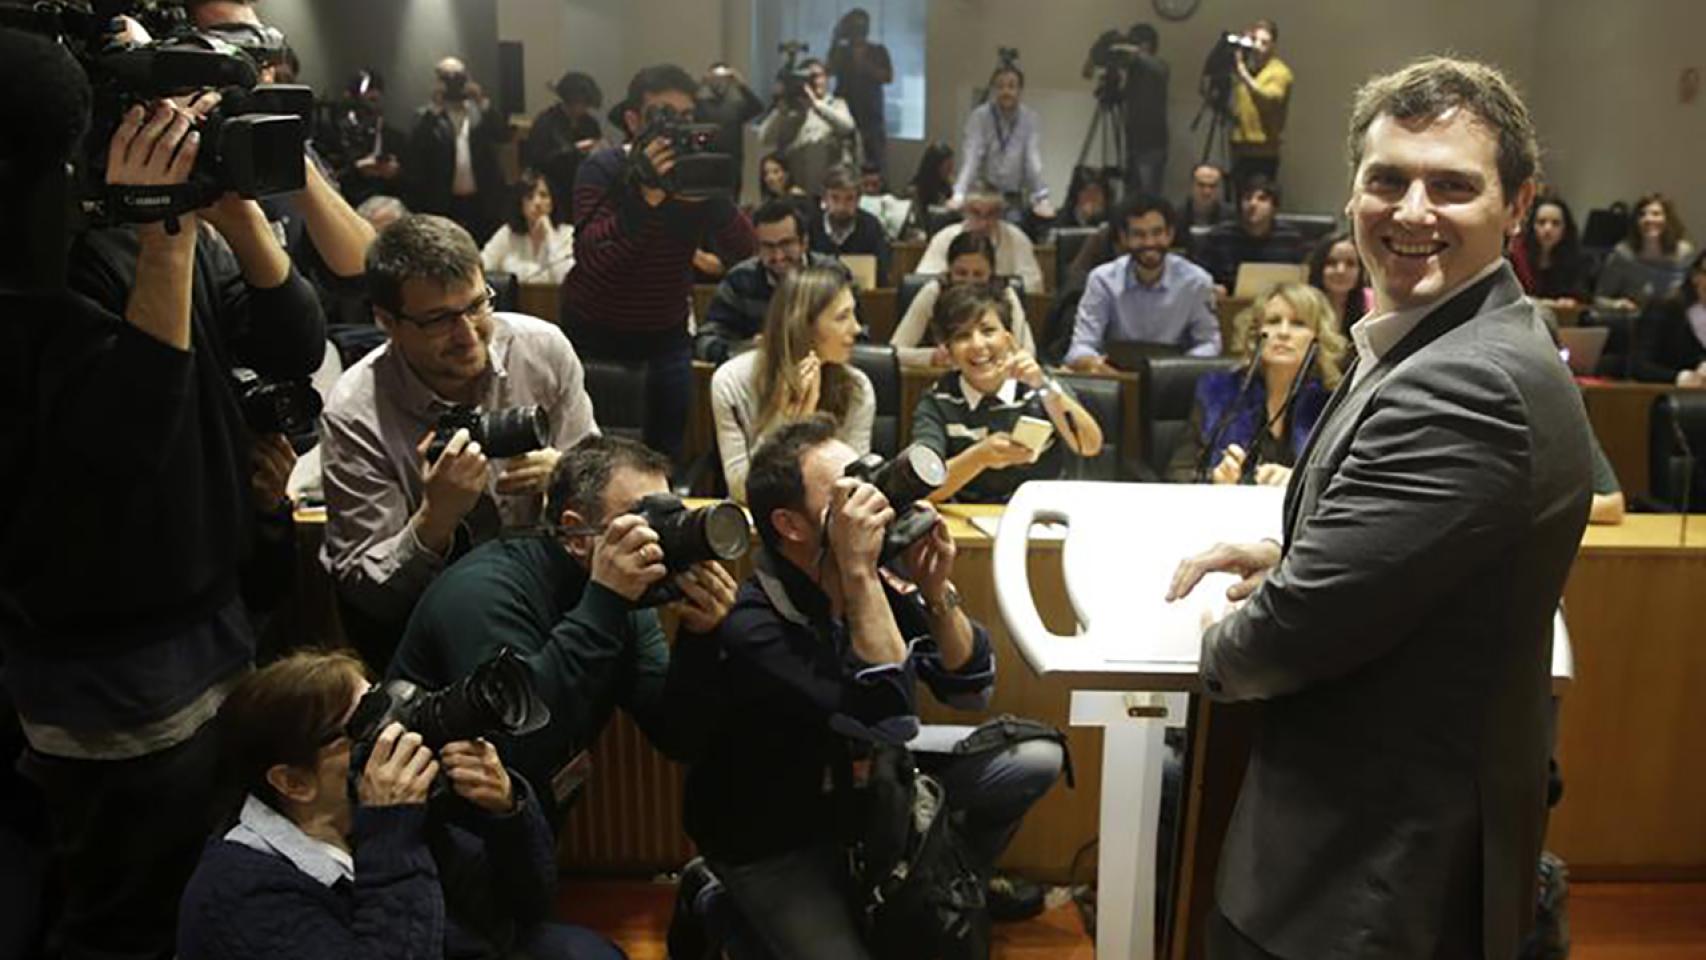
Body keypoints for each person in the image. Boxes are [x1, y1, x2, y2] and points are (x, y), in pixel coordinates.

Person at [1166, 57, 1593, 960]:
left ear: (1518, 205)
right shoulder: (1462, 332)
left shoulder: (1464, 381)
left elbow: (1290, 638)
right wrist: (1297, 556)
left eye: (1452, 186)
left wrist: (1207, 645)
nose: (1411, 211)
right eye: (1387, 179)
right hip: (1397, 837)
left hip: (1365, 876)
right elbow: (1433, 565)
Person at [2, 37, 326, 959]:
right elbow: (123, 446)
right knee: (130, 913)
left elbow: (295, 340)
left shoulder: (178, 233)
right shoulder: (51, 258)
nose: (194, 125)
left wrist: (237, 210)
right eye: (173, 106)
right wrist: (163, 230)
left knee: (213, 882)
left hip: (217, 605)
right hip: (114, 660)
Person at [681, 416, 1063, 959]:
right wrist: (859, 573)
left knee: (1033, 758)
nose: (869, 498)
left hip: (865, 790)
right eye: (844, 490)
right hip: (773, 834)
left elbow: (969, 689)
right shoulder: (755, 625)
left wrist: (934, 594)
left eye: (865, 478)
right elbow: (889, 718)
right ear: (791, 524)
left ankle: (951, 877)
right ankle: (718, 902)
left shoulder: (868, 573)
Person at [177, 651, 623, 960]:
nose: (394, 730)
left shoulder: (386, 806)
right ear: (294, 782)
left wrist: (506, 813)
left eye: (381, 699)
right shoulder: (239, 895)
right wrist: (392, 834)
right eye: (364, 724)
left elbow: (526, 905)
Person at [389, 435, 736, 822]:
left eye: (668, 516)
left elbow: (678, 734)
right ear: (575, 533)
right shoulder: (484, 593)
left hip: (521, 830)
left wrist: (701, 640)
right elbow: (517, 753)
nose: (658, 539)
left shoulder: (623, 592)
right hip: (431, 829)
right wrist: (605, 603)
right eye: (643, 521)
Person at [320, 214, 598, 661]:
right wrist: (434, 520)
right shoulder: (355, 411)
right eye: (438, 320)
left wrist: (568, 476)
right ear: (387, 321)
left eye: (475, 306)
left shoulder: (542, 350)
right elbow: (366, 593)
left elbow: (600, 483)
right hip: (428, 632)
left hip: (550, 599)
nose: (468, 335)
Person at [560, 64, 756, 462]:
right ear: (633, 121)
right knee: (592, 457)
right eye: (662, 116)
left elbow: (744, 250)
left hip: (666, 336)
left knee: (664, 455)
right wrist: (644, 198)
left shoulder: (694, 175)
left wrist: (714, 197)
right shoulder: (602, 170)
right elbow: (594, 258)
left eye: (685, 118)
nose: (674, 129)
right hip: (597, 335)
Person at [911, 285, 1103, 503]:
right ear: (949, 352)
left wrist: (1044, 388)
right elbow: (923, 487)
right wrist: (979, 457)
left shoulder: (1041, 385)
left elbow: (1088, 446)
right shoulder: (937, 401)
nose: (977, 345)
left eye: (988, 331)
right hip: (966, 524)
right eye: (962, 336)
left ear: (1008, 339)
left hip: (1043, 519)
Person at [710, 266, 873, 501]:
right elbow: (740, 489)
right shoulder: (731, 382)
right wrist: (784, 425)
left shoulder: (858, 388)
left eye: (854, 314)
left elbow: (855, 486)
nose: (857, 328)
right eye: (842, 317)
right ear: (802, 327)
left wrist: (808, 432)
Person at [1165, 283, 1346, 485]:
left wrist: (1299, 482)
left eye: (1298, 323)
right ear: (1256, 333)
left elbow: (1349, 484)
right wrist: (1214, 478)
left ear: (1318, 338)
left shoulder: (1333, 404)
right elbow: (1178, 473)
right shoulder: (1219, 393)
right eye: (1273, 321)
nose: (1283, 332)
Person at [1067, 194, 1220, 371]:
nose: (1149, 243)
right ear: (1123, 238)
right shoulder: (1101, 280)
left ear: (1170, 234)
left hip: (1175, 383)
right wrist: (1092, 363)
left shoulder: (1197, 282)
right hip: (1116, 378)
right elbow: (1081, 345)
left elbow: (1210, 344)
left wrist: (1180, 369)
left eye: (1157, 233)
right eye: (1139, 234)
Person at [696, 200, 852, 363]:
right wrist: (744, 350)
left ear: (804, 243)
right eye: (768, 246)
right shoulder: (739, 280)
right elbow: (704, 341)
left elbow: (861, 336)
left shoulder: (833, 275)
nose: (778, 256)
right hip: (758, 375)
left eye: (786, 244)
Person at [407, 56, 510, 243]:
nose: (453, 83)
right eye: (446, 77)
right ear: (438, 81)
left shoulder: (479, 111)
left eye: (458, 77)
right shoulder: (427, 117)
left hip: (482, 202)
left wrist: (482, 101)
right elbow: (415, 151)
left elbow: (502, 135)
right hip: (443, 202)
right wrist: (435, 108)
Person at [891, 231, 1031, 367]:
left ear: (991, 273)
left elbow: (1028, 353)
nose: (969, 281)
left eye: (978, 274)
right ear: (949, 270)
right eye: (961, 273)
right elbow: (895, 351)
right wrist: (931, 356)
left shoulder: (1004, 294)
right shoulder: (934, 291)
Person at [950, 61, 1053, 221]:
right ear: (993, 90)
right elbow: (971, 158)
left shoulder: (1030, 119)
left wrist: (1042, 197)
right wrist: (959, 194)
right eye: (1000, 86)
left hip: (1014, 196)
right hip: (986, 194)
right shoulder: (980, 116)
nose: (1006, 91)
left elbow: (1032, 161)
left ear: (1020, 90)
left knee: (1015, 234)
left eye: (1011, 86)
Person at [758, 58, 858, 197]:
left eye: (817, 76)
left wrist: (816, 105)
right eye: (808, 78)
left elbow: (847, 126)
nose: (814, 81)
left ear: (826, 78)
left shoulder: (836, 105)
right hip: (796, 190)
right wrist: (780, 110)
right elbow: (764, 138)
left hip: (828, 190)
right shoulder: (790, 111)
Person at [916, 186, 1046, 293]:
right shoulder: (945, 238)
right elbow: (924, 280)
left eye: (991, 214)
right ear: (965, 212)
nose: (984, 223)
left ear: (1000, 214)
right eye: (976, 213)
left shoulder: (1017, 239)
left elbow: (1034, 285)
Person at [1194, 173, 1307, 295]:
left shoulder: (1291, 238)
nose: (1253, 204)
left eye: (1262, 199)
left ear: (1274, 207)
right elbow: (1199, 278)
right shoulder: (1219, 237)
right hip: (1229, 305)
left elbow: (1302, 282)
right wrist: (1213, 288)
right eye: (1247, 198)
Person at [523, 70, 604, 225]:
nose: (583, 108)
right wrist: (573, 151)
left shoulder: (589, 123)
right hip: (553, 189)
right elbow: (537, 159)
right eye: (581, 103)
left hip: (580, 188)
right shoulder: (546, 122)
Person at [1595, 192, 1696, 314]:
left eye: (1656, 214)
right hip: (1635, 322)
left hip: (1675, 321)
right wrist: (1617, 304)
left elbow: (1694, 295)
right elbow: (1599, 299)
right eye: (1642, 215)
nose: (1648, 219)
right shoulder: (1623, 254)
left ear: (1668, 219)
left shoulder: (1684, 252)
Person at [322, 69, 406, 209]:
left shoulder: (396, 138)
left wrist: (395, 173)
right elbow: (325, 182)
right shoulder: (333, 137)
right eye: (361, 102)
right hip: (345, 208)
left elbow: (413, 185)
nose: (369, 108)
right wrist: (357, 169)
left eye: (374, 100)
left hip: (386, 212)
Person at [1226, 18, 1293, 187]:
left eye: (1264, 42)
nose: (1258, 46)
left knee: (1259, 197)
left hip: (1263, 151)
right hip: (1240, 147)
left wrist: (1243, 74)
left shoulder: (1279, 72)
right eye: (1254, 40)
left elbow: (1269, 98)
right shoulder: (1249, 70)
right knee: (1239, 199)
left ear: (1273, 45)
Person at [481, 170, 576, 285]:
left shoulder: (567, 234)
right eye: (529, 197)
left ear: (552, 201)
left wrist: (549, 233)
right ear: (520, 203)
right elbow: (482, 267)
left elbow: (565, 278)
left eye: (544, 195)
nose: (537, 202)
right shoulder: (507, 233)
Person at [827, 8, 893, 169]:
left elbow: (888, 77)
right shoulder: (841, 52)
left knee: (874, 164)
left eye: (862, 26)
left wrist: (865, 64)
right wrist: (835, 40)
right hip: (845, 115)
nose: (858, 31)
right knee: (843, 165)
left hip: (872, 117)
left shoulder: (878, 50)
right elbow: (830, 70)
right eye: (854, 26)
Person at [1631, 247, 1706, 387]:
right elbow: (1639, 366)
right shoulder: (1664, 309)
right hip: (1668, 398)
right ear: (1695, 277)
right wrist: (1682, 378)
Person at [809, 164, 892, 281]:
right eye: (835, 198)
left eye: (849, 199)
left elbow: (882, 273)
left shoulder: (871, 226)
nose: (841, 206)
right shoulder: (811, 225)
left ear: (858, 200)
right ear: (824, 199)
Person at [697, 63, 766, 198]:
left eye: (722, 79)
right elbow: (686, 104)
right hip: (707, 165)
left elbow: (758, 107)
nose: (719, 83)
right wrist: (701, 83)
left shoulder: (736, 106)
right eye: (715, 79)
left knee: (732, 203)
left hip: (732, 165)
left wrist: (740, 83)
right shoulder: (702, 106)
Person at [1512, 192, 1590, 308]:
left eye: (1556, 223)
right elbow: (1510, 298)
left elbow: (1582, 298)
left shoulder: (1575, 259)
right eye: (1541, 222)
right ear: (1532, 226)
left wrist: (1571, 302)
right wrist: (1543, 303)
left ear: (1565, 229)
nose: (1548, 229)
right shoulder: (1515, 256)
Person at [1119, 23, 1170, 197]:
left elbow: (1160, 70)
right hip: (1133, 140)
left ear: (1147, 44)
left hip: (1152, 143)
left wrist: (1136, 54)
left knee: (1149, 196)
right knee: (1132, 194)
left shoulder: (1158, 66)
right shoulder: (1133, 70)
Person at [1306, 231, 1371, 338]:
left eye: (1350, 263)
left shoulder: (1373, 304)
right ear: (1318, 268)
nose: (1341, 270)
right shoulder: (1300, 305)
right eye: (1331, 262)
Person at [857, 162, 910, 241]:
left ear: (881, 184)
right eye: (865, 185)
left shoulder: (890, 202)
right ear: (859, 184)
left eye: (874, 185)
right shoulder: (853, 203)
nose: (870, 189)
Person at [1182, 163, 1229, 230]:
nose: (1207, 192)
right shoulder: (1177, 218)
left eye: (1212, 186)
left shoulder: (1232, 219)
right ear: (1191, 186)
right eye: (1201, 185)